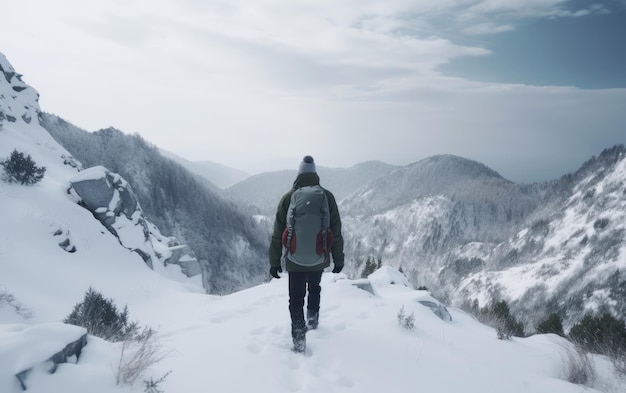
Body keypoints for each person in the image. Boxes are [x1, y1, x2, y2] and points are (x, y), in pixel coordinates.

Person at [269, 155, 344, 353]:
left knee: (295, 297)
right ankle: (313, 320)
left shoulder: (288, 198)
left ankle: (299, 339)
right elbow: (335, 230)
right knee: (315, 287)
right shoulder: (326, 197)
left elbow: (278, 233)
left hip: (295, 259)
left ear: (299, 173)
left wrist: (274, 261)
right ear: (315, 174)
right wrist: (338, 259)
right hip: (319, 257)